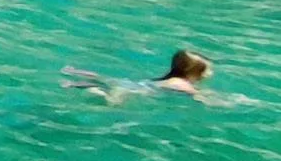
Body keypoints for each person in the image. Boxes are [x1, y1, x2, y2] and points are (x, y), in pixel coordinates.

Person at [65, 50, 221, 103]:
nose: (210, 73)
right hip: (133, 90)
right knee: (111, 100)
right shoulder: (181, 84)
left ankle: (75, 74)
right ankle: (94, 90)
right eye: (208, 70)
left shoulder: (170, 79)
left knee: (105, 80)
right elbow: (198, 97)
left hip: (136, 84)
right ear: (193, 72)